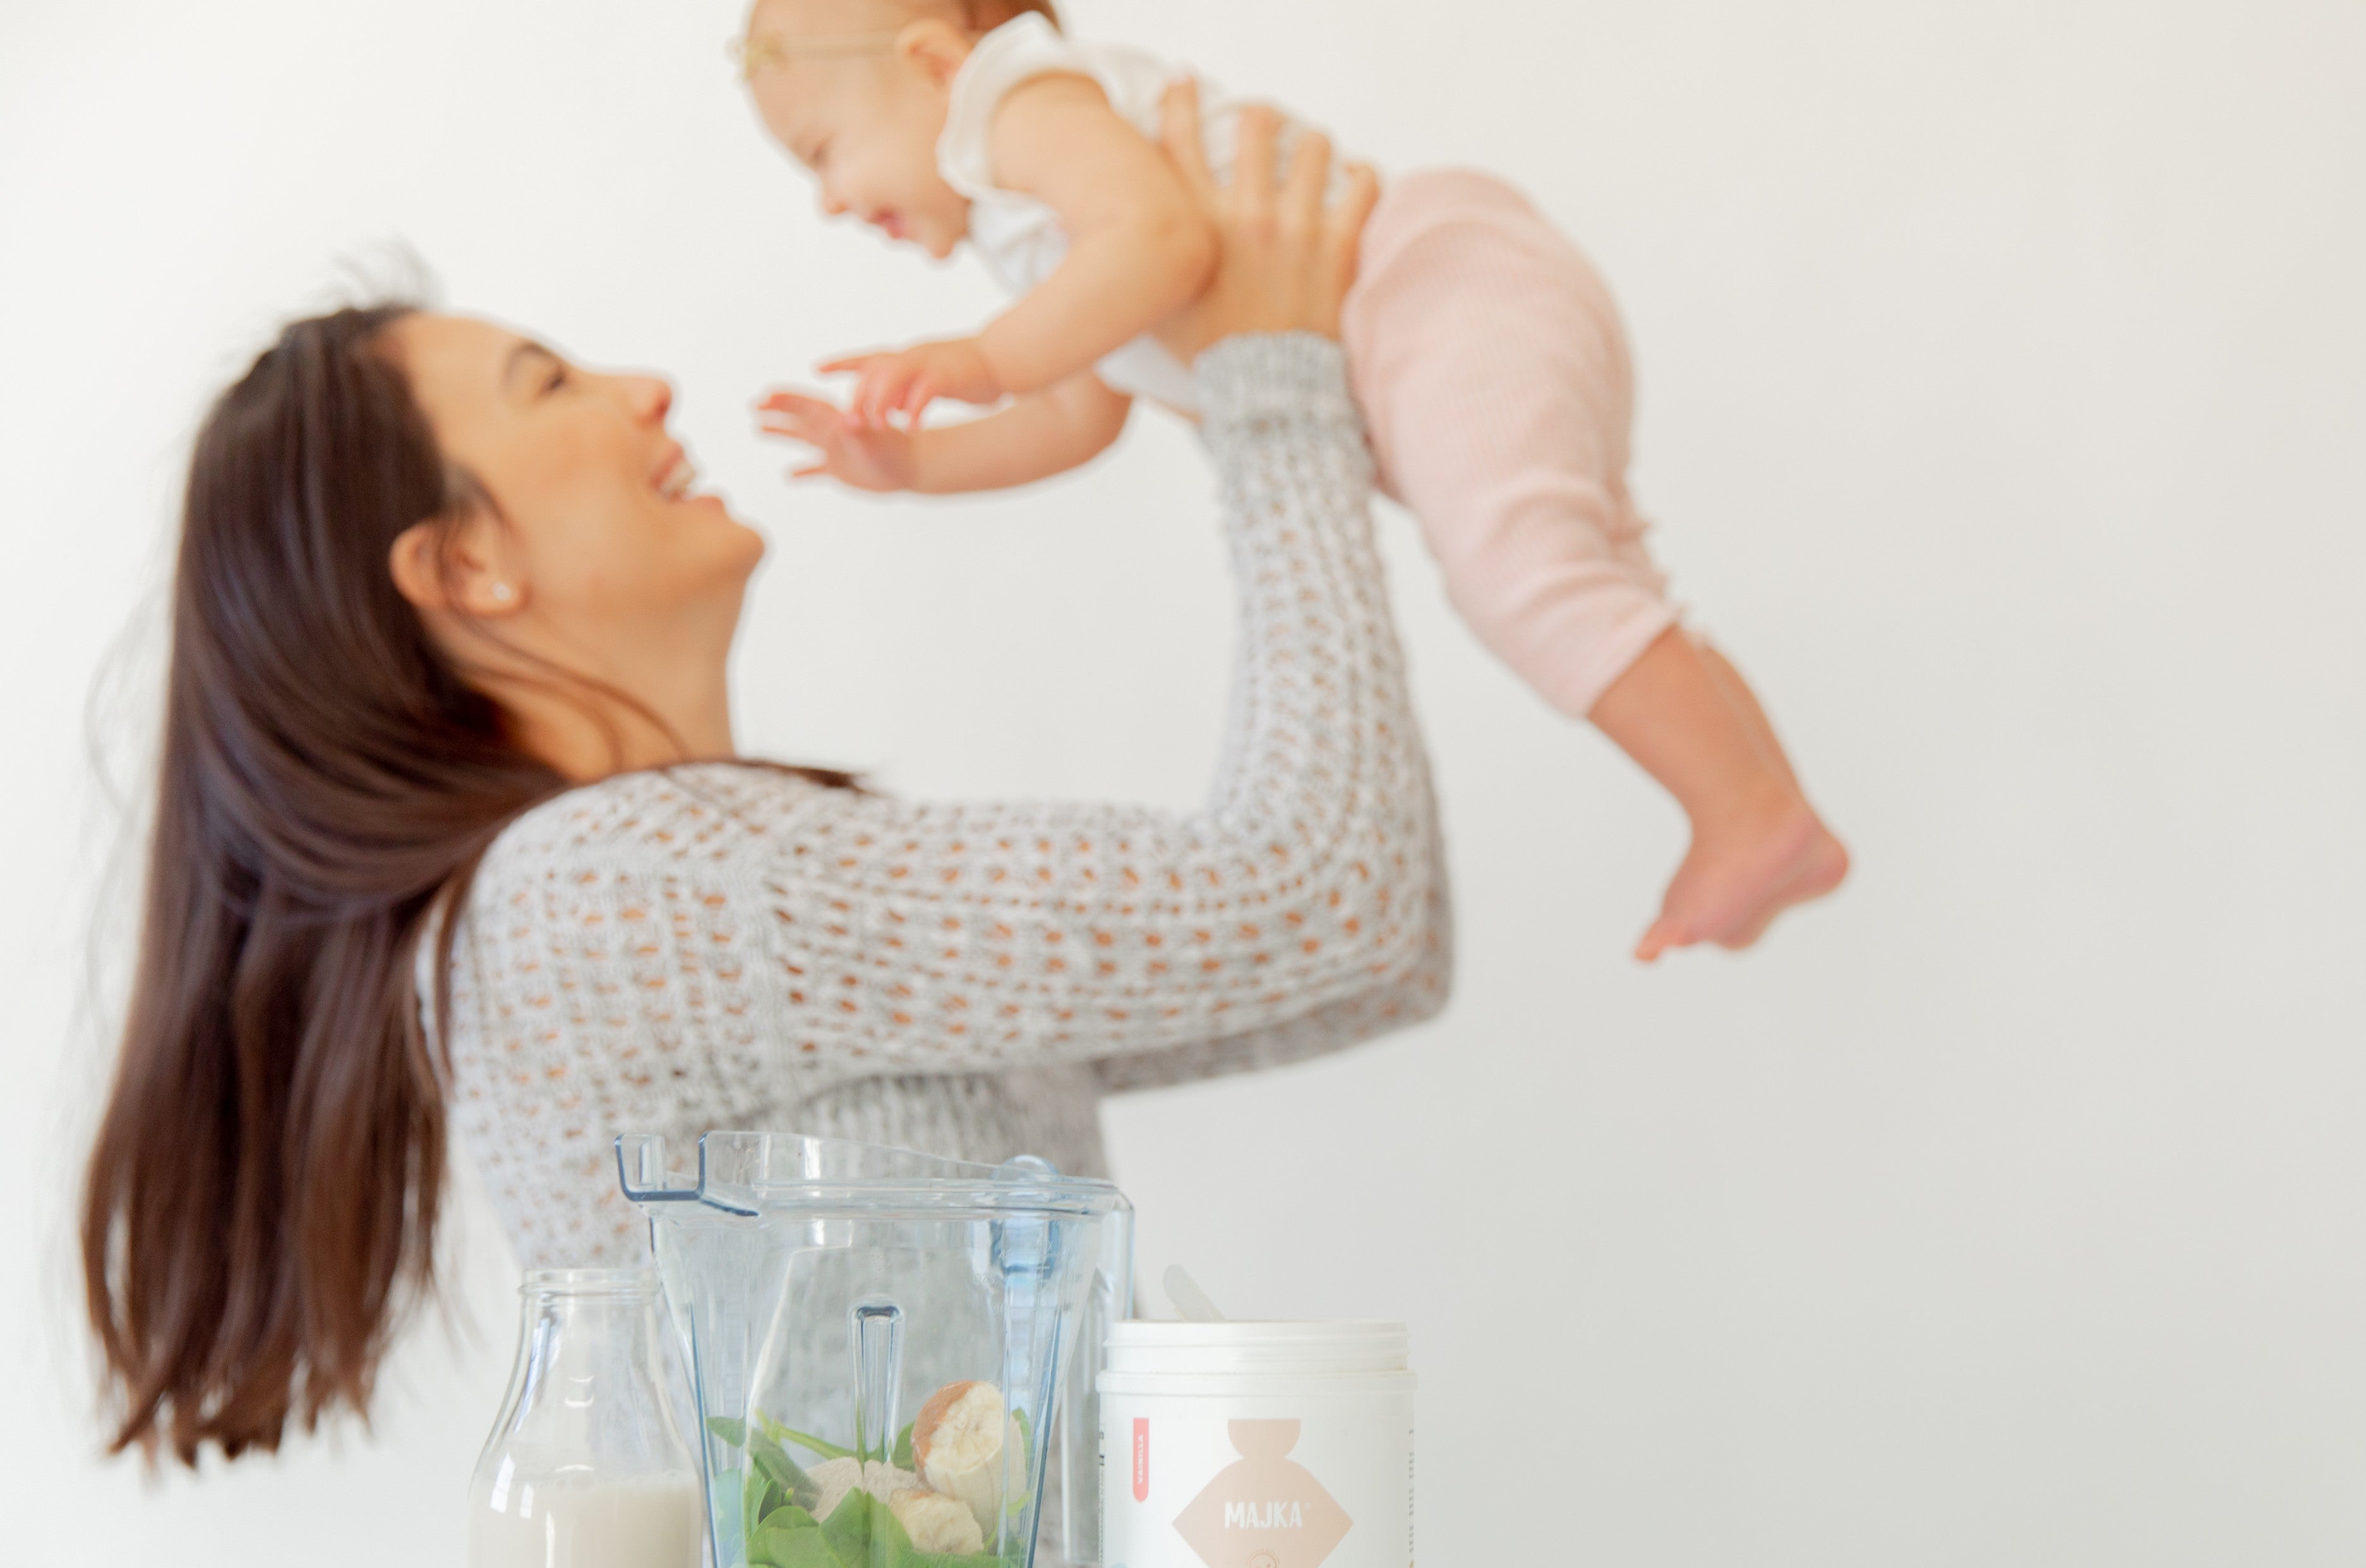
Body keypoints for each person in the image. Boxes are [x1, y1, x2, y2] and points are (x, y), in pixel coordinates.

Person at [80, 105, 1442, 1568]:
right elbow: (1334, 897)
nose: (644, 389)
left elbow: (1364, 954)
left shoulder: (661, 892)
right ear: (465, 569)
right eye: (551, 383)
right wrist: (1271, 385)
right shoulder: (633, 891)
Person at [734, 0, 1850, 961]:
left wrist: (977, 358)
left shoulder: (1021, 105)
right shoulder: (1028, 235)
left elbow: (1164, 241)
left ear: (936, 68)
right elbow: (1078, 415)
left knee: (1523, 582)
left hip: (1432, 287)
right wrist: (914, 465)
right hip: (1444, 313)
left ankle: (1740, 811)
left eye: (822, 151)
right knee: (1592, 575)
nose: (827, 202)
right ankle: (1768, 808)